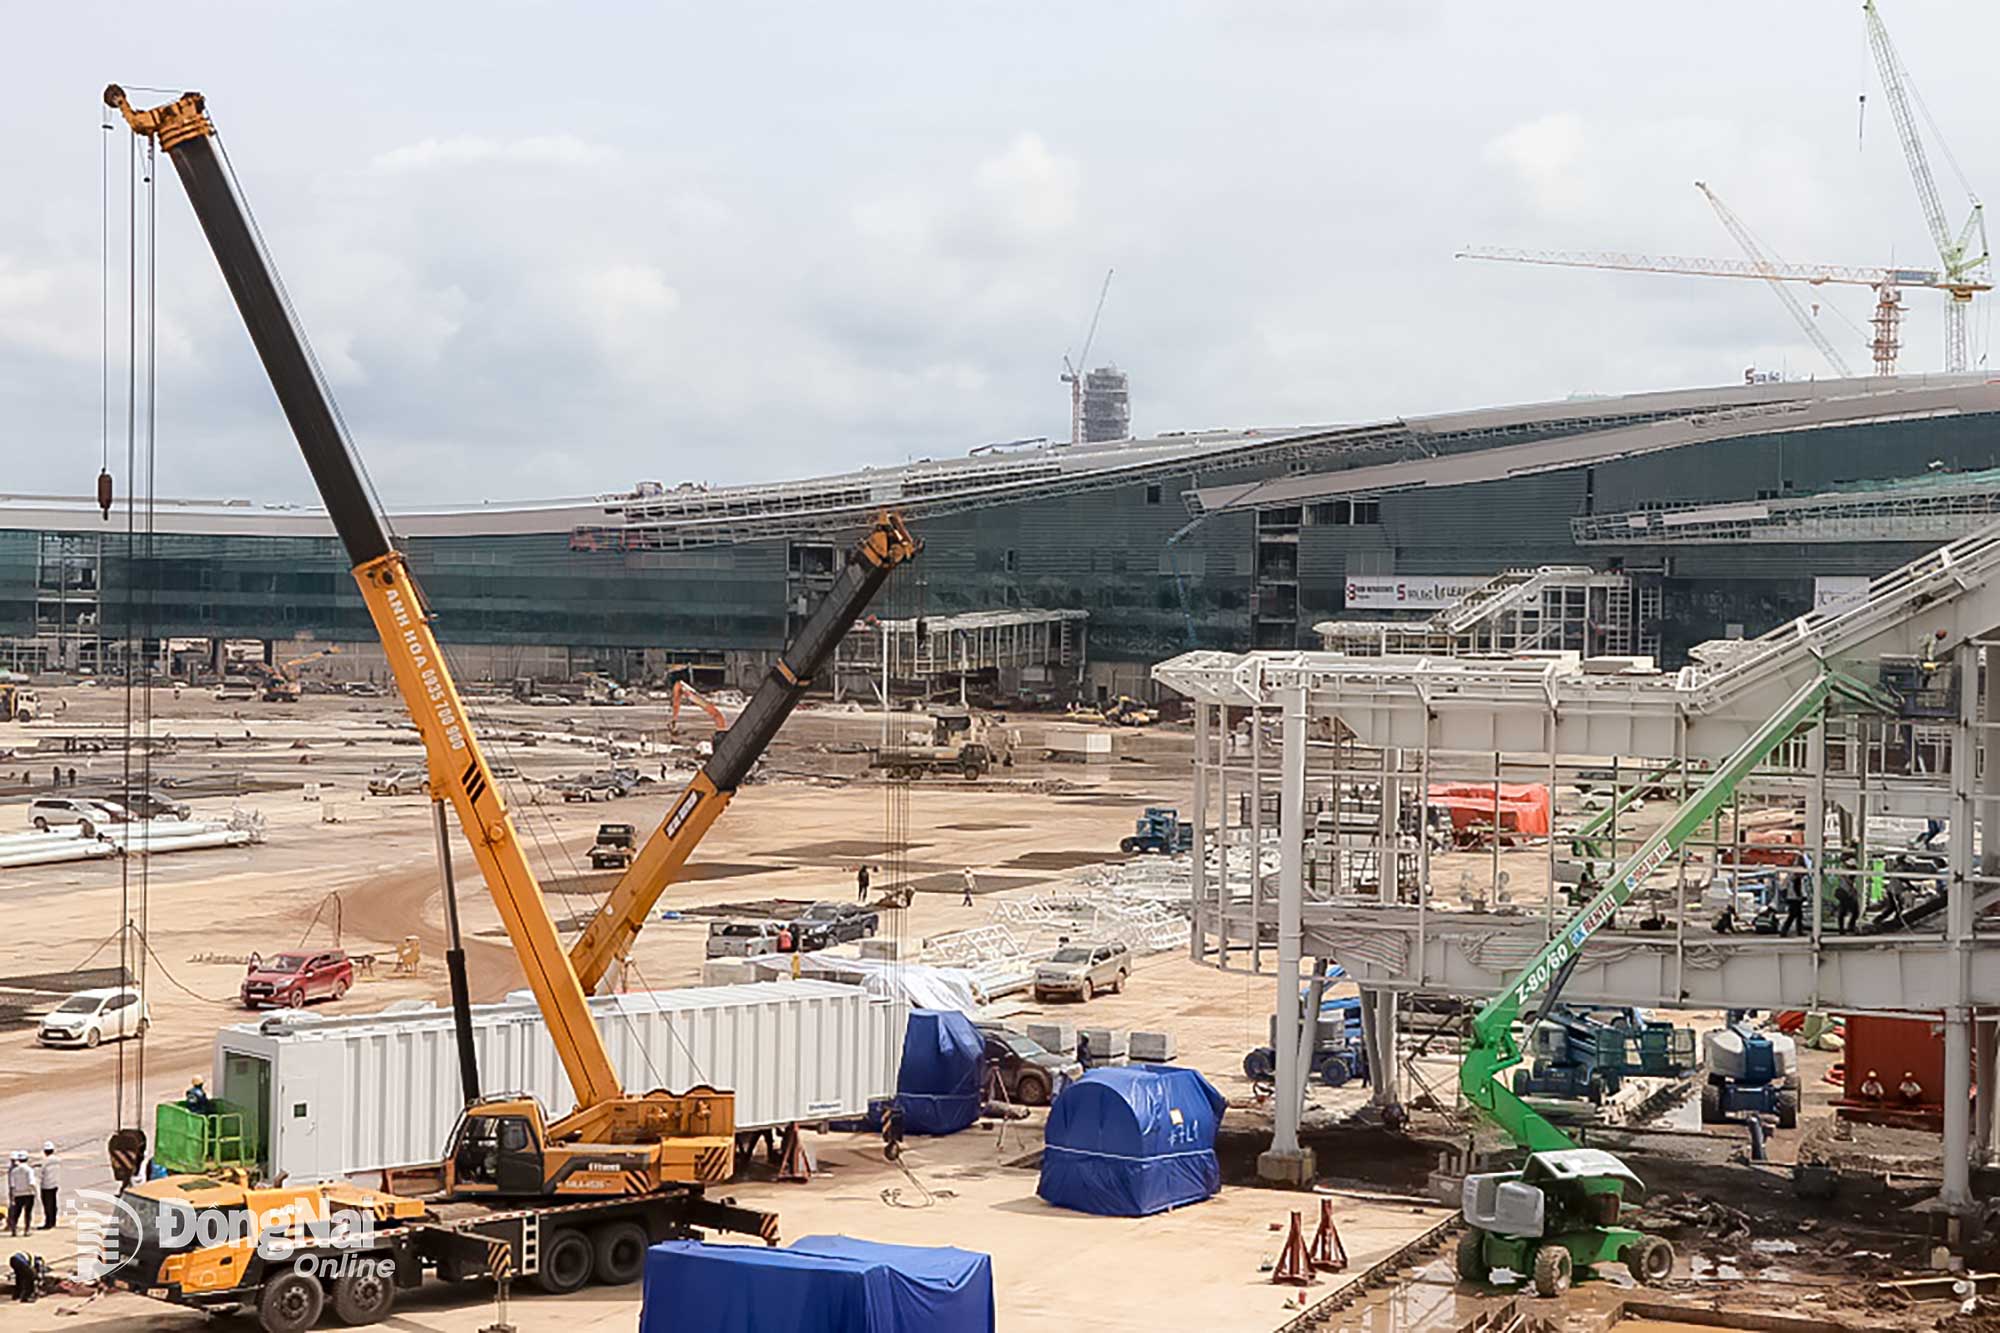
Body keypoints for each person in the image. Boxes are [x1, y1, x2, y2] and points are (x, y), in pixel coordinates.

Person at [5, 1154, 32, 1238]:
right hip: (27, 1193)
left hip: (17, 1193)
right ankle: (26, 1230)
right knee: (27, 1213)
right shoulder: (28, 1170)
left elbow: (12, 1185)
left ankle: (13, 1229)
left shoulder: (13, 1170)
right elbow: (31, 1182)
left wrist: (12, 1194)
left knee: (16, 1212)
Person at [35, 1145, 56, 1231]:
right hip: (55, 1184)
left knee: (47, 1205)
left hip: (46, 1185)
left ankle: (48, 1223)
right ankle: (53, 1221)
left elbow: (40, 1173)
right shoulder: (57, 1160)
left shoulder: (44, 1161)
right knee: (53, 1204)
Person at [1777, 874, 1805, 938]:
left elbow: (1784, 887)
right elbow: (1794, 888)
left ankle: (1799, 930)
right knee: (1793, 915)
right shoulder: (1793, 878)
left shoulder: (1793, 878)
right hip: (1793, 898)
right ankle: (1784, 931)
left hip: (1794, 898)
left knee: (1799, 915)